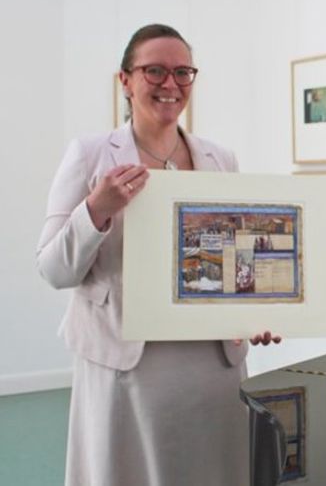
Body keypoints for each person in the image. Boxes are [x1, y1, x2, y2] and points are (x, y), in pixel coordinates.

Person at [36, 24, 280, 486]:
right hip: (126, 365)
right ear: (125, 81)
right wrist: (97, 210)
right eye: (155, 71)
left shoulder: (220, 158)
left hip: (213, 364)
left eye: (183, 72)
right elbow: (53, 268)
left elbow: (237, 261)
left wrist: (256, 311)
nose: (171, 84)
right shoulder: (90, 155)